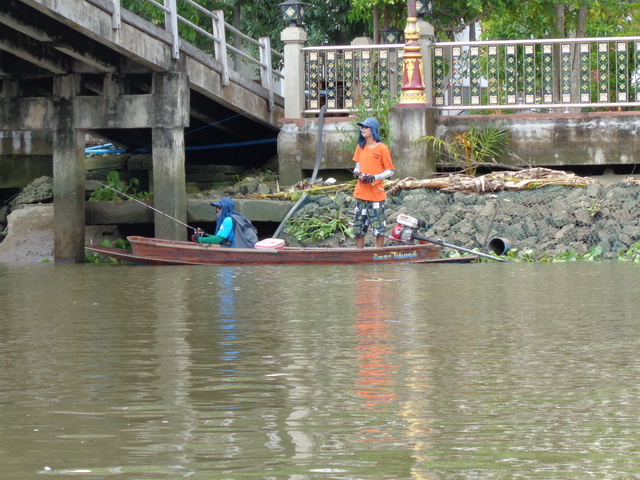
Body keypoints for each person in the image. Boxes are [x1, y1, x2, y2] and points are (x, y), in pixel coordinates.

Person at [352, 117, 395, 248]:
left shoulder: (382, 148)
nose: (362, 129)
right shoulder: (360, 147)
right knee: (358, 228)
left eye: (365, 127)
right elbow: (357, 166)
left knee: (379, 228)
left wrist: (374, 178)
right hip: (360, 194)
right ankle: (360, 254)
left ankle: (378, 253)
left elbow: (390, 171)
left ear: (373, 130)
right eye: (361, 127)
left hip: (376, 196)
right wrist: (357, 173)